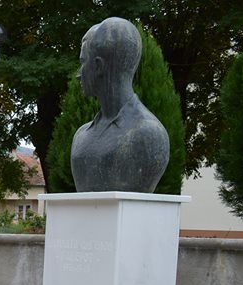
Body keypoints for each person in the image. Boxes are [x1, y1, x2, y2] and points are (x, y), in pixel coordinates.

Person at [70, 17, 169, 193]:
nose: (79, 74)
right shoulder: (80, 137)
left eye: (83, 62)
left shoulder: (149, 135)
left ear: (98, 66)